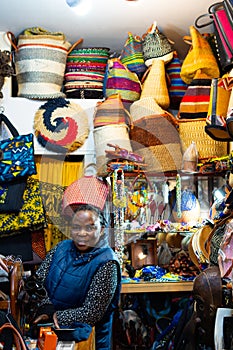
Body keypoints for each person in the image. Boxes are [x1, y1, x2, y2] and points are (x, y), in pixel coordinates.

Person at [31, 175, 122, 350]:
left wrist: (54, 316)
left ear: (101, 230)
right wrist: (45, 306)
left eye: (89, 228)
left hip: (85, 340)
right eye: (76, 227)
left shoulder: (107, 263)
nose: (82, 233)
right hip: (50, 333)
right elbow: (38, 281)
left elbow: (91, 313)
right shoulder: (61, 248)